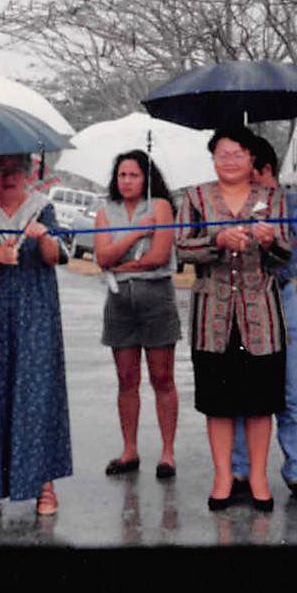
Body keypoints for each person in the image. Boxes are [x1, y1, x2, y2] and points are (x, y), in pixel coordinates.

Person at [175, 126, 291, 513]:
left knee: (261, 400)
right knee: (218, 401)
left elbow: (287, 253)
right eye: (222, 153)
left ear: (252, 159)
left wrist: (271, 241)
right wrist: (217, 242)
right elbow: (181, 247)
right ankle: (223, 475)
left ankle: (258, 476)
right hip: (213, 313)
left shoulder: (274, 199)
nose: (229, 161)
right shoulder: (195, 197)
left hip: (261, 311)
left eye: (238, 153)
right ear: (212, 158)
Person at [0, 153, 73, 516]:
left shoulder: (43, 209)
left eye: (15, 171)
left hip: (35, 311)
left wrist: (43, 240)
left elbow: (57, 256)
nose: (8, 178)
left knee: (35, 390)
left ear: (27, 174)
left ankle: (43, 484)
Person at [233, 136, 297, 501]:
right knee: (242, 391)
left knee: (290, 391)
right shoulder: (233, 202)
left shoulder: (296, 202)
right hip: (243, 300)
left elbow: (295, 251)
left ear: (264, 169)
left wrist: (269, 234)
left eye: (248, 171)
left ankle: (296, 470)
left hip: (281, 297)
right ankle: (240, 470)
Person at [93, 149, 179, 480]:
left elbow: (158, 256)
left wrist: (122, 262)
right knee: (127, 378)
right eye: (122, 175)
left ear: (146, 177)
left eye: (134, 175)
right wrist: (135, 233)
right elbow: (102, 256)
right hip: (119, 301)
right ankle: (130, 449)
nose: (126, 181)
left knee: (162, 377)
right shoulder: (106, 209)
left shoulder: (159, 206)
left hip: (156, 297)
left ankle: (167, 452)